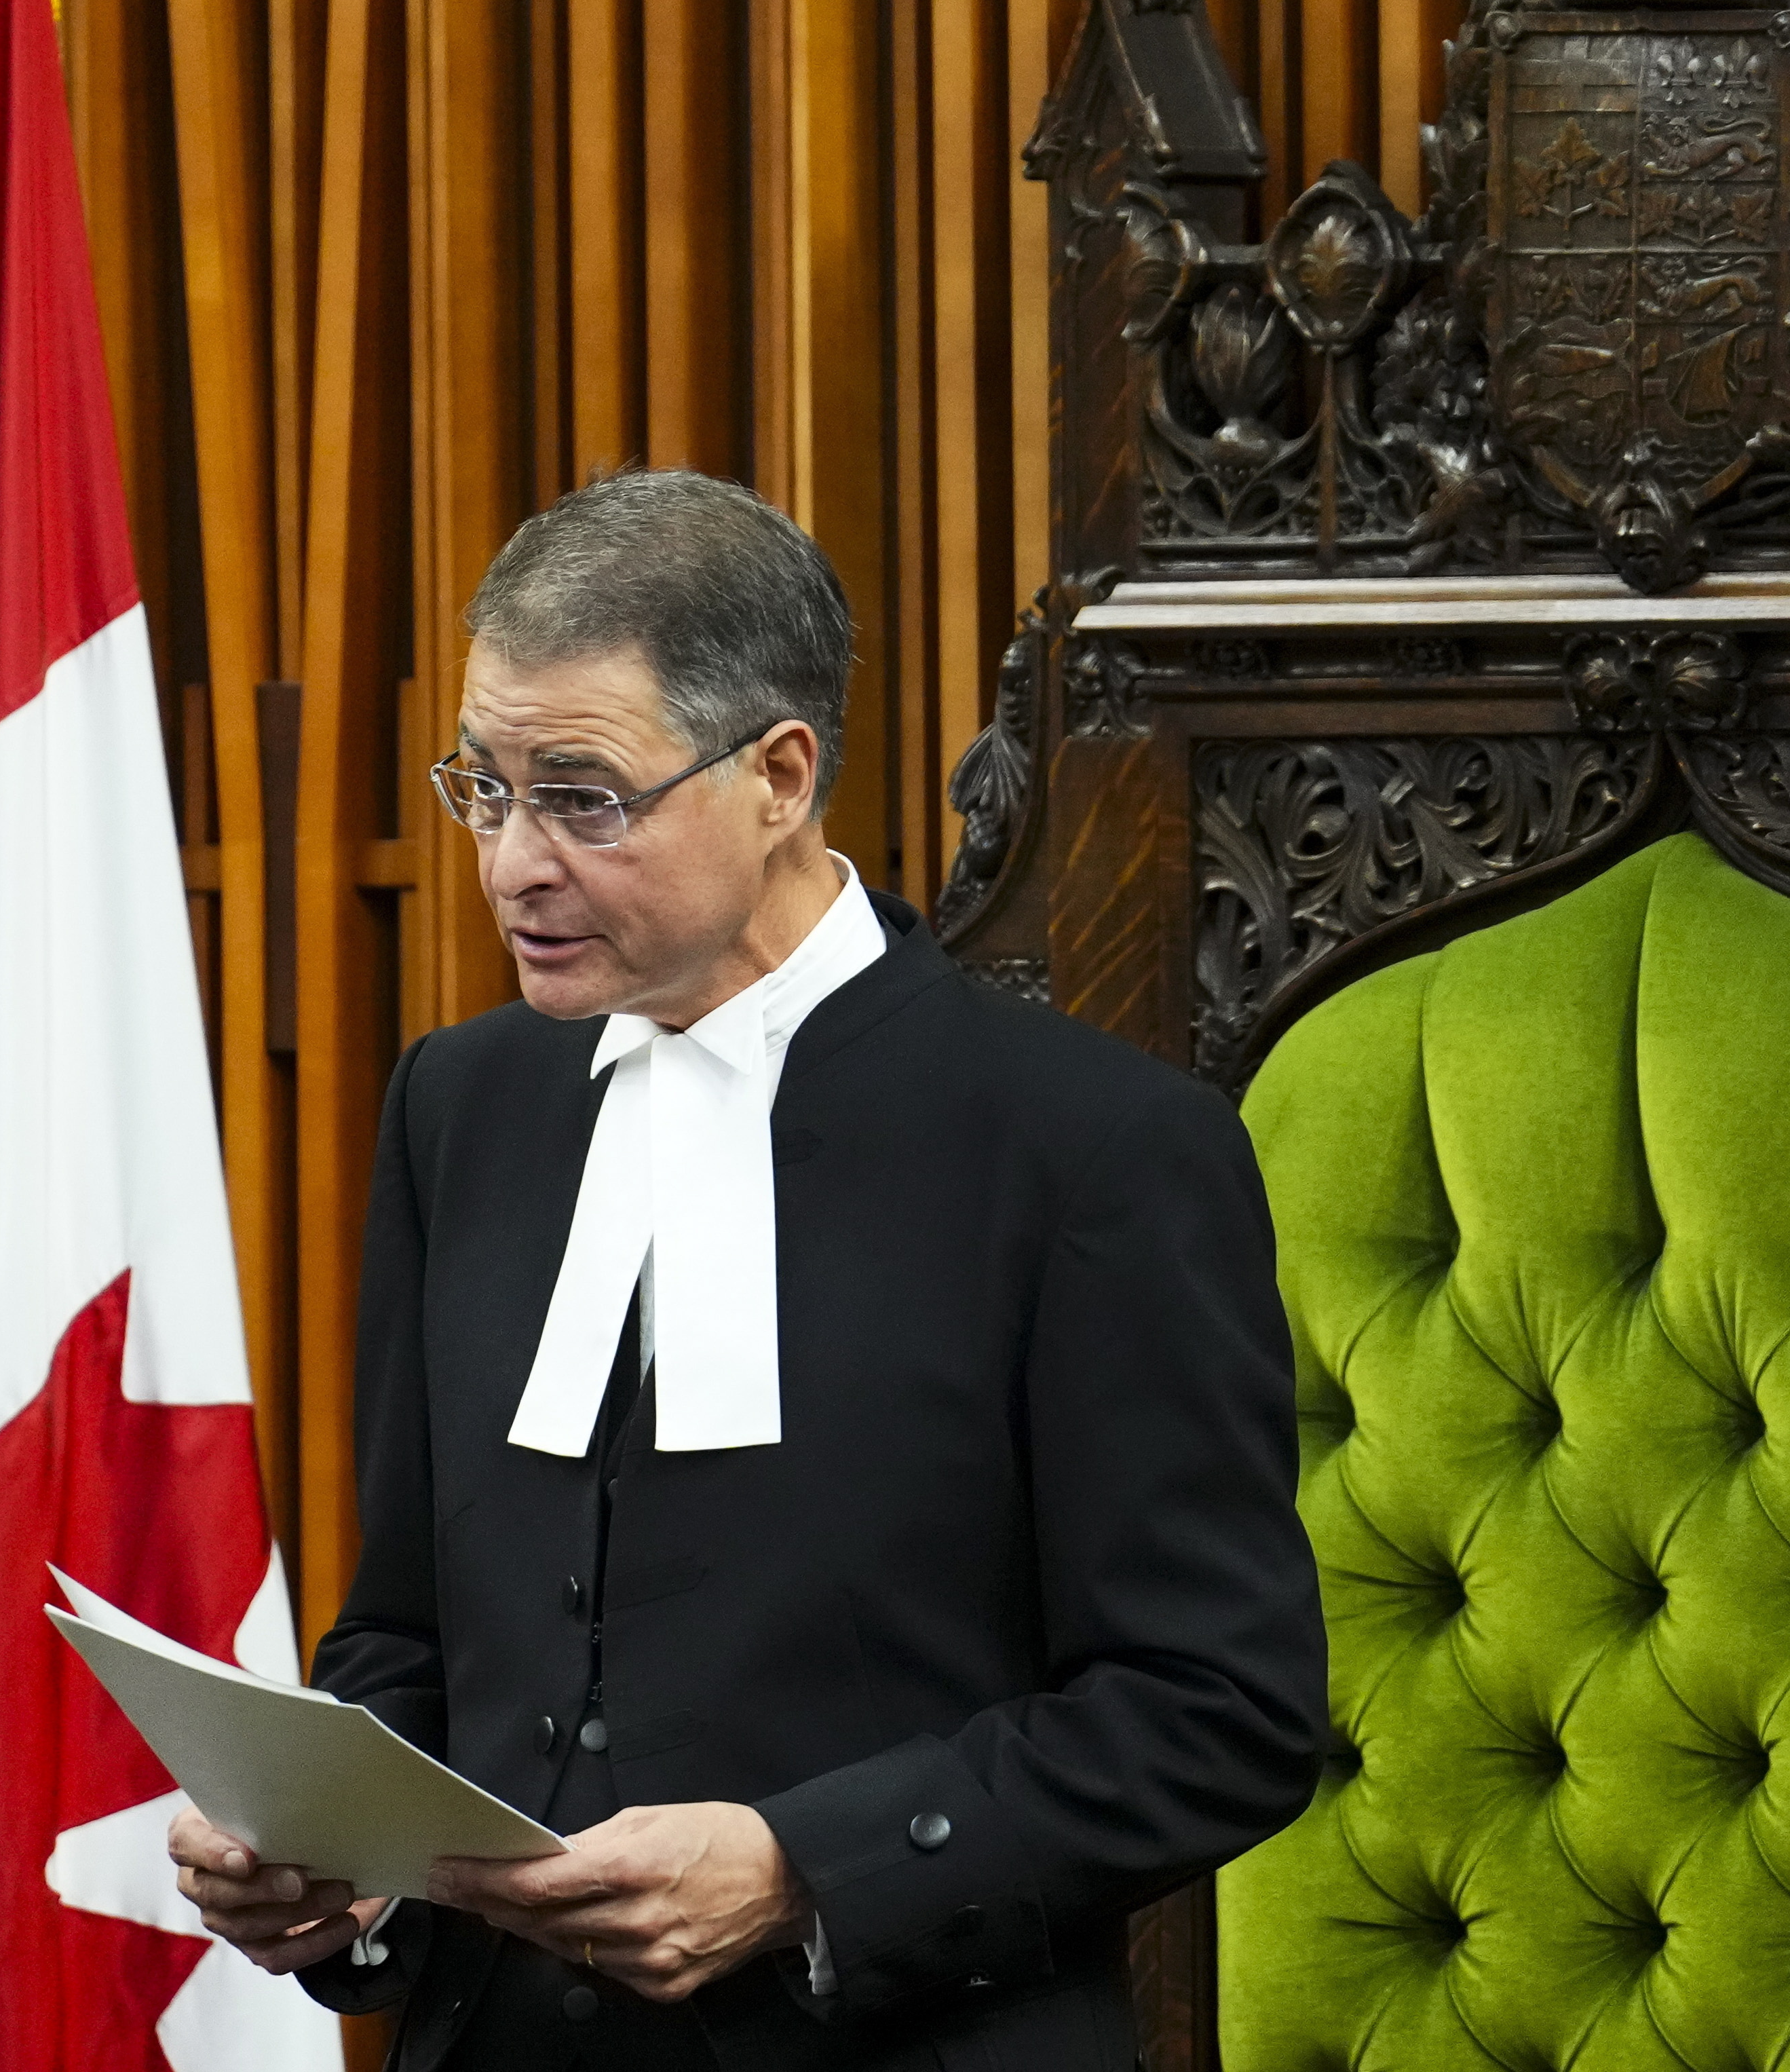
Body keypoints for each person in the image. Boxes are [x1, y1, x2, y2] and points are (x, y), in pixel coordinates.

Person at [168, 469, 1326, 2071]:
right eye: (483, 788)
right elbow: (416, 1636)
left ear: (779, 774)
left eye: (583, 796)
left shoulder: (1094, 1148)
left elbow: (1220, 1715)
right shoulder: (465, 1106)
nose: (510, 866)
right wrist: (327, 1861)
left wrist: (801, 1874)